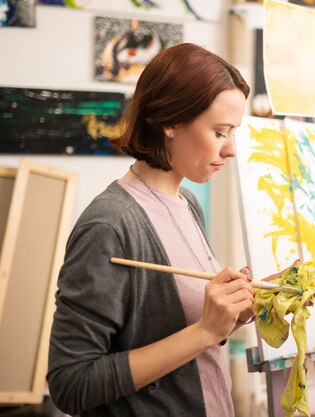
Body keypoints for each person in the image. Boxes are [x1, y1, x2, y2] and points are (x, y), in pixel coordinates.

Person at [47, 43, 295, 417]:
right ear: (171, 122)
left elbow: (177, 323)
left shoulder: (187, 203)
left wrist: (244, 304)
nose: (231, 150)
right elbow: (71, 384)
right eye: (220, 132)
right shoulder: (110, 225)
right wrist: (205, 332)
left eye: (234, 133)